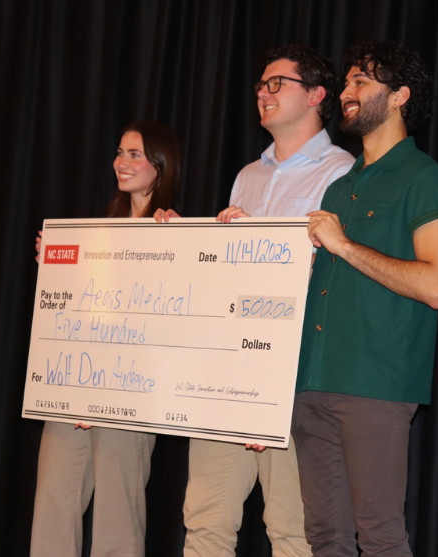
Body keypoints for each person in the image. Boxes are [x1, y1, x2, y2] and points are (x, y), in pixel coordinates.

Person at [156, 44, 355, 557]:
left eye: (276, 84)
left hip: (293, 376)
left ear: (316, 96)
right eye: (260, 85)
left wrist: (260, 243)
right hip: (229, 373)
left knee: (291, 529)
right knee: (205, 520)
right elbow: (227, 277)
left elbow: (334, 273)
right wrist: (182, 241)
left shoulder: (341, 174)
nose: (263, 94)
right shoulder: (250, 174)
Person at [293, 41, 438, 557]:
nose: (346, 92)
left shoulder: (424, 178)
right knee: (325, 540)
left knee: (381, 538)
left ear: (400, 95)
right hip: (311, 382)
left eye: (361, 81)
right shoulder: (340, 188)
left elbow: (435, 286)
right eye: (345, 82)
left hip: (374, 384)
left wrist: (344, 245)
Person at [31, 121, 181, 557]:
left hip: (127, 396)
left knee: (117, 520)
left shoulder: (176, 232)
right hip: (73, 390)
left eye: (135, 154)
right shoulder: (99, 231)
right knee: (52, 508)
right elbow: (82, 311)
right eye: (120, 152)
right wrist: (55, 264)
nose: (122, 162)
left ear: (161, 163)